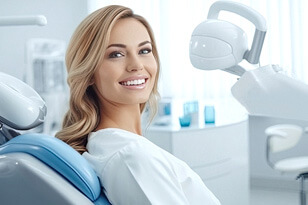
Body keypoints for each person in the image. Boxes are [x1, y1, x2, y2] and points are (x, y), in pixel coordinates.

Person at [56, 5, 220, 205]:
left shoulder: (115, 146)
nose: (137, 65)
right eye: (116, 54)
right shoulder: (132, 156)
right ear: (88, 73)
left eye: (144, 50)